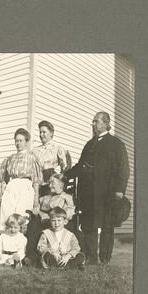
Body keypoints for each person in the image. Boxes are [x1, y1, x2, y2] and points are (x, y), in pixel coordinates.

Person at [68, 111, 129, 265]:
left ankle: (105, 259)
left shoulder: (116, 144)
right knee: (89, 225)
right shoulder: (89, 144)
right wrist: (65, 175)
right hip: (88, 193)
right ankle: (91, 258)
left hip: (107, 193)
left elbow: (123, 168)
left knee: (107, 226)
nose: (93, 124)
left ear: (106, 123)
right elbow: (80, 166)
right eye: (93, 122)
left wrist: (120, 190)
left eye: (96, 121)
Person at [0, 128, 42, 232]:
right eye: (16, 140)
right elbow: (4, 180)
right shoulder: (9, 159)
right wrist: (1, 196)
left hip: (25, 187)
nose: (18, 143)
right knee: (7, 214)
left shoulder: (32, 158)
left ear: (26, 142)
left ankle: (21, 244)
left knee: (22, 215)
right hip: (11, 187)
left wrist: (35, 200)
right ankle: (6, 244)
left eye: (21, 140)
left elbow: (36, 181)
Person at [32, 120, 70, 197]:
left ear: (51, 133)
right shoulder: (35, 151)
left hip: (51, 182)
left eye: (44, 132)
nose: (41, 135)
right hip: (37, 183)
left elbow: (65, 168)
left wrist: (59, 181)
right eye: (40, 132)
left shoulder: (57, 148)